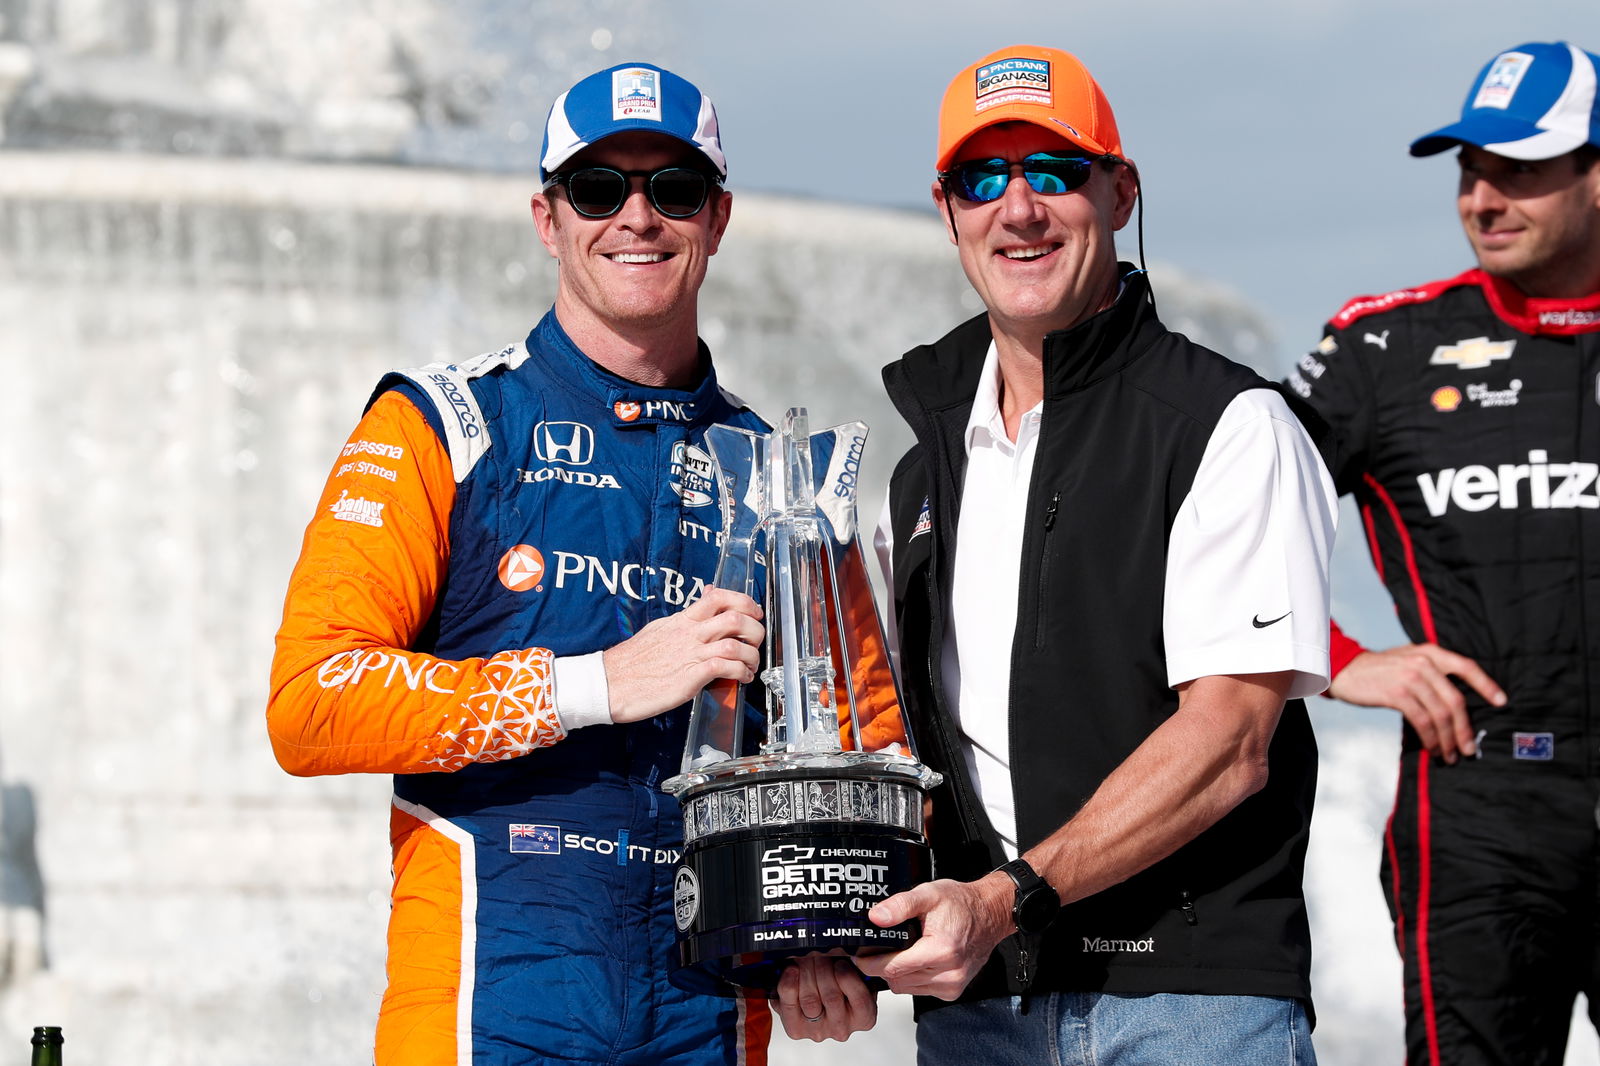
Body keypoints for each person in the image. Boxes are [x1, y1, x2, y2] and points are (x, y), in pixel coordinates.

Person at [266, 61, 790, 1065]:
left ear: (716, 220)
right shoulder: (446, 423)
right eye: (599, 188)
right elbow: (310, 701)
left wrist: (825, 944)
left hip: (706, 1018)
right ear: (548, 219)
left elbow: (856, 735)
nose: (636, 216)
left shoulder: (775, 474)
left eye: (672, 190)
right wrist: (595, 685)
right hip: (483, 1006)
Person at [851, 44, 1339, 1064]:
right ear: (947, 213)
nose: (1019, 207)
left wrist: (1010, 897)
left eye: (1055, 171)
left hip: (1187, 1000)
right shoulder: (924, 465)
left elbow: (1230, 742)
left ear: (1119, 192)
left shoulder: (1228, 423)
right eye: (984, 178)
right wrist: (822, 935)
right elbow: (905, 745)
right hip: (981, 1008)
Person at [1288, 40, 1600, 1066]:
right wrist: (1339, 659)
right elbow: (1218, 527)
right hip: (1481, 807)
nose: (1481, 198)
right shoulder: (1386, 350)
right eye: (1469, 169)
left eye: (1518, 170)